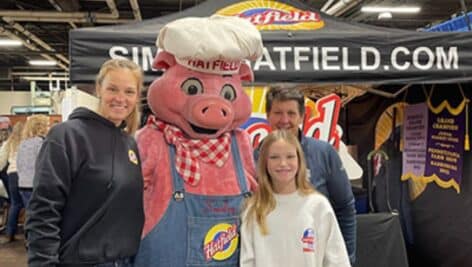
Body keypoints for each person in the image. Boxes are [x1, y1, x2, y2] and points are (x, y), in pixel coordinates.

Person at [25, 58, 145, 267]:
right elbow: (43, 210)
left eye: (129, 92)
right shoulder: (67, 136)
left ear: (137, 97)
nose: (120, 98)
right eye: (112, 89)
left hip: (124, 260)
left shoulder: (129, 144)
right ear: (98, 89)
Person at [253, 86, 357, 263]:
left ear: (302, 116)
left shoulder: (324, 153)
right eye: (278, 112)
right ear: (268, 115)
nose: (284, 120)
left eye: (291, 113)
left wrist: (346, 257)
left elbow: (345, 208)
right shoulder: (254, 157)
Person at [241, 130, 351, 267]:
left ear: (299, 161)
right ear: (264, 163)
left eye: (290, 157)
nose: (283, 163)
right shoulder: (253, 209)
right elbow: (247, 261)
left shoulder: (318, 205)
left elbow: (337, 259)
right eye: (274, 157)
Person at [17, 114, 50, 207]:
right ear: (40, 127)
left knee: (30, 215)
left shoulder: (23, 143)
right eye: (47, 125)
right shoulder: (41, 143)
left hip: (23, 184)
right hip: (36, 185)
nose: (49, 127)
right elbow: (44, 164)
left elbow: (19, 164)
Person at [0, 121, 25, 244]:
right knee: (28, 205)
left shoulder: (8, 143)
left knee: (15, 204)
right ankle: (29, 235)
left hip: (12, 175)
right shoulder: (28, 141)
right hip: (26, 175)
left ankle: (10, 233)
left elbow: (1, 162)